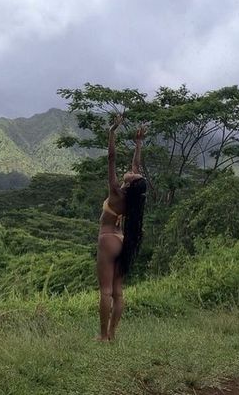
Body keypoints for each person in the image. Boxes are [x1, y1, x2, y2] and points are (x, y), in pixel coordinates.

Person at [96, 114, 147, 341]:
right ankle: (113, 333)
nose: (133, 170)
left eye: (135, 174)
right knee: (118, 292)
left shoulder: (117, 190)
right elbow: (136, 164)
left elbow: (111, 159)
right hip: (121, 239)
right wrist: (138, 143)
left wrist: (112, 132)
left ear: (132, 182)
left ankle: (103, 335)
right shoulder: (131, 197)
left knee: (105, 291)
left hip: (107, 239)